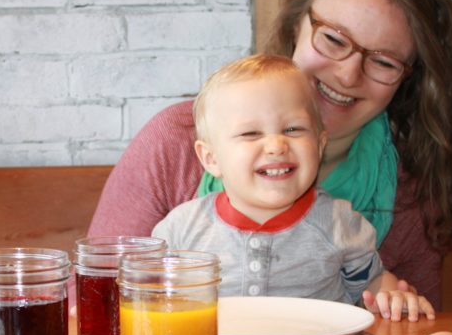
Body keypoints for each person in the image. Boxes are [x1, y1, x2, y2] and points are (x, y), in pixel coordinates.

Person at [88, 0, 452, 310]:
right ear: (296, 26)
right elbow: (100, 300)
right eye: (334, 39)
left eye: (384, 61)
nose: (347, 74)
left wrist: (396, 305)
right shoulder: (175, 140)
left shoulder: (409, 188)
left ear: (411, 79)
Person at [152, 54, 434, 321]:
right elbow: (150, 301)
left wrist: (392, 296)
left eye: (293, 129)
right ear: (211, 158)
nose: (276, 145)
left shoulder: (340, 224)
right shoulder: (181, 230)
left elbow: (372, 284)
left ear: (320, 145)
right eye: (251, 133)